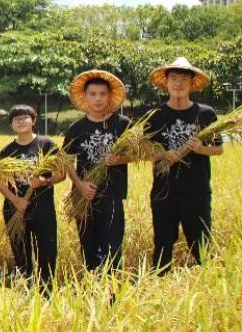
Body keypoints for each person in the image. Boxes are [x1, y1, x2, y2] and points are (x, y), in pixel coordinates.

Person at [146, 57, 223, 273]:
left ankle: (208, 287)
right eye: (174, 78)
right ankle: (159, 289)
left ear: (191, 83)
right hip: (164, 192)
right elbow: (144, 150)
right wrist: (163, 154)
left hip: (196, 191)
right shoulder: (156, 116)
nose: (178, 83)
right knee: (162, 244)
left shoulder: (206, 114)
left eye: (183, 79)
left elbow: (218, 148)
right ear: (166, 82)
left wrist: (200, 149)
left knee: (201, 246)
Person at [63, 70, 131, 272]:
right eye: (93, 94)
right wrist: (80, 185)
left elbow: (138, 153)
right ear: (85, 96)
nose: (98, 98)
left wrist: (119, 159)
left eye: (102, 94)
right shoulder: (76, 128)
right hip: (84, 197)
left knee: (112, 247)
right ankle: (92, 290)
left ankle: (112, 293)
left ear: (109, 96)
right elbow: (66, 161)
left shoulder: (122, 124)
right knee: (89, 248)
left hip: (111, 194)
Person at [0, 105, 63, 287]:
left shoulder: (46, 145)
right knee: (21, 254)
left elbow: (61, 173)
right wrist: (16, 200)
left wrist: (42, 181)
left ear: (33, 120)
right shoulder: (7, 151)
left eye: (24, 117)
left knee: (47, 252)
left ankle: (46, 289)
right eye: (16, 119)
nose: (20, 121)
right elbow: (0, 182)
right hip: (15, 210)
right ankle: (25, 288)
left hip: (43, 209)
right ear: (11, 125)